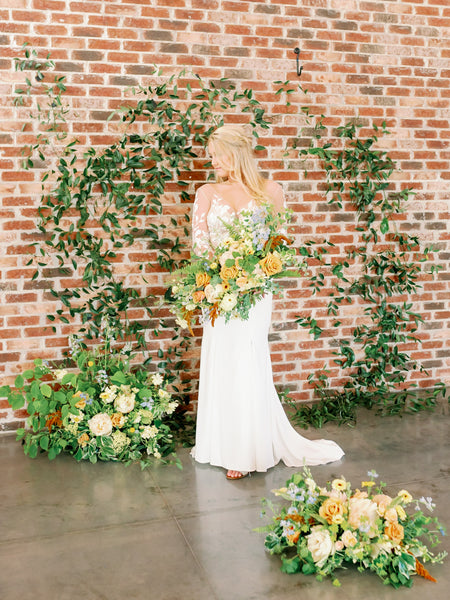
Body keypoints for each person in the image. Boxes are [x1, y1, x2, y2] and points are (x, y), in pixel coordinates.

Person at [190, 124, 344, 480]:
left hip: (257, 292)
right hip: (218, 292)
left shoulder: (271, 191)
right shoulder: (207, 192)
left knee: (248, 358)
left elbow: (279, 243)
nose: (211, 161)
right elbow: (200, 245)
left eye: (216, 154)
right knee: (223, 359)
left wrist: (254, 275)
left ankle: (247, 451)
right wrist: (219, 280)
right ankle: (218, 442)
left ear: (235, 153)